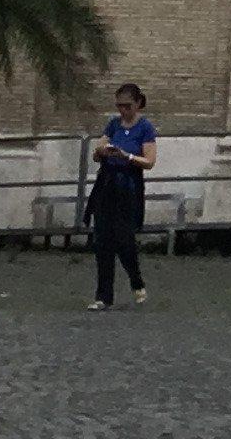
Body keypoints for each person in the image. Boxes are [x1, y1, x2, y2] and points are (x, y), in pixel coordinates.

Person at [85, 82, 156, 308]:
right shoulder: (113, 124)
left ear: (137, 104)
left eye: (127, 106)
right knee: (103, 239)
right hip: (107, 183)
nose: (123, 110)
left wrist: (128, 156)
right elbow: (98, 151)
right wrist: (102, 151)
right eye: (119, 106)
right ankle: (103, 296)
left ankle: (136, 279)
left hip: (129, 185)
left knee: (124, 238)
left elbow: (150, 161)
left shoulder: (145, 128)